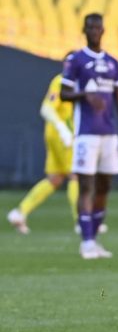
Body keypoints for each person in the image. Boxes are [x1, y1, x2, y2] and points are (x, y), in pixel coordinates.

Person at [60, 13, 118, 259]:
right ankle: (86, 242)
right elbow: (64, 93)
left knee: (104, 187)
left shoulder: (113, 63)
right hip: (86, 135)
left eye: (98, 27)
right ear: (84, 29)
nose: (94, 30)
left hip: (109, 133)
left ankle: (94, 240)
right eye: (90, 27)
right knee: (86, 187)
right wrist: (84, 95)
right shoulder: (76, 59)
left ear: (103, 30)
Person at [7, 57, 79, 234]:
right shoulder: (62, 81)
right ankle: (82, 221)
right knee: (75, 175)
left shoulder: (73, 81)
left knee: (54, 178)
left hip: (55, 134)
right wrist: (63, 129)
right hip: (62, 136)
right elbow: (46, 108)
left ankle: (20, 212)